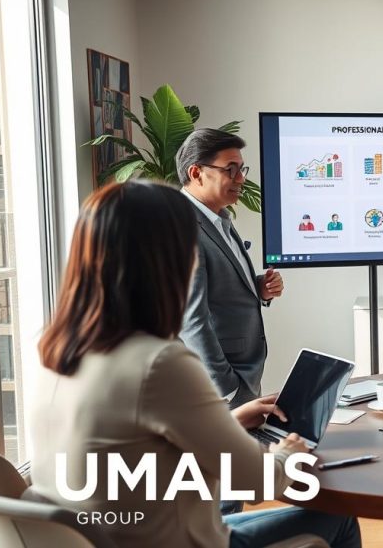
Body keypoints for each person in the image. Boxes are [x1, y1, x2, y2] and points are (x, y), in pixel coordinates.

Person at [29, 181, 361, 548]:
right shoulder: (159, 363)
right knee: (338, 517)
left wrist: (229, 421)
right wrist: (288, 452)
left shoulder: (55, 351)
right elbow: (254, 481)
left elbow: (139, 447)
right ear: (165, 261)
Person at [178, 128, 284, 410]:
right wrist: (226, 389)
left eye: (241, 169)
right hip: (219, 390)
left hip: (243, 377)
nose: (241, 179)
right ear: (196, 173)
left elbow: (217, 287)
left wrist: (258, 287)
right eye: (231, 170)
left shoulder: (217, 217)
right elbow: (191, 320)